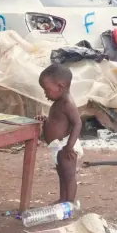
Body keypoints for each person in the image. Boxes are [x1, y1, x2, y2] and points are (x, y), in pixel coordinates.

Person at [39, 63, 83, 208]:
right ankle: (63, 199)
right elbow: (57, 121)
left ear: (60, 86)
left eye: (46, 90)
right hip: (58, 147)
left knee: (69, 177)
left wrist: (69, 146)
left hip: (66, 146)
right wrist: (45, 120)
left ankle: (69, 204)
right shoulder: (58, 102)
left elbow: (77, 123)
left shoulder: (67, 103)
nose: (45, 94)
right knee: (62, 175)